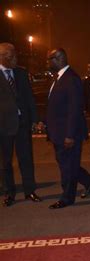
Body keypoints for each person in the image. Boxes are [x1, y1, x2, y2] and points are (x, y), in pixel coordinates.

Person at [46, 48, 90, 209]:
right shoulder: (59, 78)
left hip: (68, 134)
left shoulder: (71, 79)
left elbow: (75, 109)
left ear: (59, 59)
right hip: (58, 132)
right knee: (68, 164)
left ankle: (67, 197)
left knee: (68, 167)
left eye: (49, 59)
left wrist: (70, 135)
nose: (47, 62)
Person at [0, 42, 43, 207]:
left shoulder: (21, 73)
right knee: (6, 162)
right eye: (11, 56)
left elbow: (30, 99)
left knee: (26, 159)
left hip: (22, 124)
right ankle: (9, 193)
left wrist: (35, 119)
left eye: (15, 55)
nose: (15, 59)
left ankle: (29, 190)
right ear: (3, 57)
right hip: (4, 126)